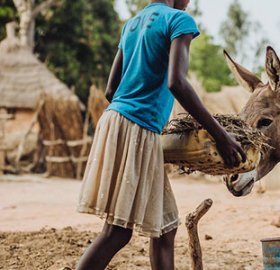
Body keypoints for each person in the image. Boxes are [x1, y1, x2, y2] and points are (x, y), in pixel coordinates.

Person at [75, 0, 246, 269]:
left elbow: (111, 90)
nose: (189, 1)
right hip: (136, 125)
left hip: (115, 120)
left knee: (165, 228)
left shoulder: (131, 24)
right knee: (116, 232)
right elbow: (176, 82)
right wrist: (220, 135)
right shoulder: (179, 21)